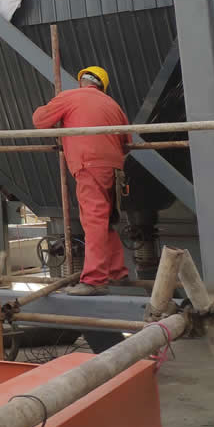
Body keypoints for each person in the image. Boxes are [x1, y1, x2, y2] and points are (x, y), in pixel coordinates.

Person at [33, 65, 130, 296]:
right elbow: (127, 141)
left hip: (88, 165)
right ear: (102, 86)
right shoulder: (113, 105)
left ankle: (95, 280)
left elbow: (40, 120)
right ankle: (117, 272)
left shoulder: (71, 96)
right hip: (114, 169)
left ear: (81, 82)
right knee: (104, 220)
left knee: (94, 220)